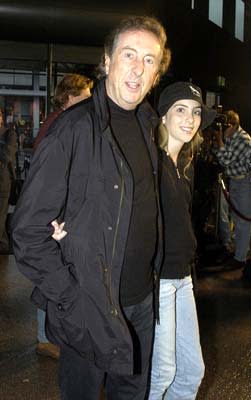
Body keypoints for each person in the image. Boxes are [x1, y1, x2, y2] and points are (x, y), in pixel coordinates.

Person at [11, 16, 171, 400]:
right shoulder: (73, 129)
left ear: (158, 71)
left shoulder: (150, 124)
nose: (138, 68)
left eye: (150, 60)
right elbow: (26, 232)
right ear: (106, 59)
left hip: (141, 304)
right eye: (128, 54)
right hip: (89, 303)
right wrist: (70, 299)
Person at [148, 82, 216, 399]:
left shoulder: (184, 165)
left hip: (183, 278)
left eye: (196, 111)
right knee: (161, 373)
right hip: (158, 280)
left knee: (191, 372)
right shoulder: (150, 164)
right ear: (163, 116)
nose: (190, 119)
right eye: (180, 109)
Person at [34, 73, 93, 360]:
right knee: (49, 270)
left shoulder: (59, 121)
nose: (89, 100)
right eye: (84, 95)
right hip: (54, 211)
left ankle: (47, 335)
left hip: (54, 208)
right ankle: (46, 337)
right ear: (69, 96)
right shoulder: (63, 123)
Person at [213, 110, 251, 277]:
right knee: (236, 219)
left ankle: (240, 258)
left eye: (224, 128)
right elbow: (219, 155)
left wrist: (219, 140)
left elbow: (225, 160)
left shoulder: (243, 139)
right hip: (236, 180)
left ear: (233, 126)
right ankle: (237, 251)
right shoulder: (231, 136)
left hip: (245, 182)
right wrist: (218, 142)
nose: (222, 131)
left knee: (243, 221)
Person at [0, 109, 17, 254]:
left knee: (1, 216)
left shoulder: (8, 134)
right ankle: (4, 248)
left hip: (2, 183)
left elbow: (7, 156)